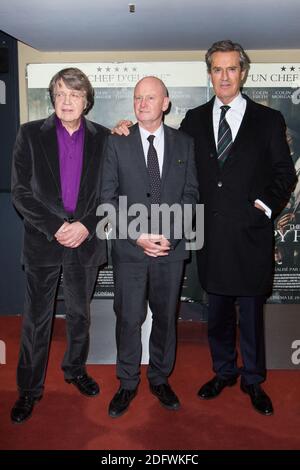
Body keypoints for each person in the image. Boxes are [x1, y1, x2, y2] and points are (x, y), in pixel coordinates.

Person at [113, 40, 297, 416]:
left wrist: (262, 207)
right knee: (216, 312)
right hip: (210, 237)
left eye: (231, 69)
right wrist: (125, 127)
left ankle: (253, 380)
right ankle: (224, 371)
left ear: (242, 72)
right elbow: (163, 147)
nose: (224, 76)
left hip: (249, 236)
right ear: (210, 74)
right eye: (217, 69)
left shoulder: (268, 120)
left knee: (249, 313)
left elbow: (283, 174)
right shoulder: (194, 120)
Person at [11, 67, 109, 424]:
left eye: (75, 94)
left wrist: (85, 225)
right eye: (60, 94)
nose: (67, 101)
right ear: (52, 98)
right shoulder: (29, 135)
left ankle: (75, 370)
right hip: (43, 240)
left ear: (86, 100)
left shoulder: (104, 139)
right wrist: (57, 227)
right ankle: (29, 389)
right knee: (37, 320)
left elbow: (111, 194)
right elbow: (20, 192)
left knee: (80, 315)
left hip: (85, 240)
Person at [100, 76, 199, 418]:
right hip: (130, 250)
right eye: (138, 97)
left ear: (166, 103)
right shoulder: (117, 143)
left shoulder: (184, 143)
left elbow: (191, 194)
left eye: (150, 97)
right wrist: (138, 236)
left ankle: (159, 377)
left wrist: (168, 236)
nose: (143, 103)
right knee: (128, 318)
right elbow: (107, 199)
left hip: (170, 250)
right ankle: (127, 382)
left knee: (164, 318)